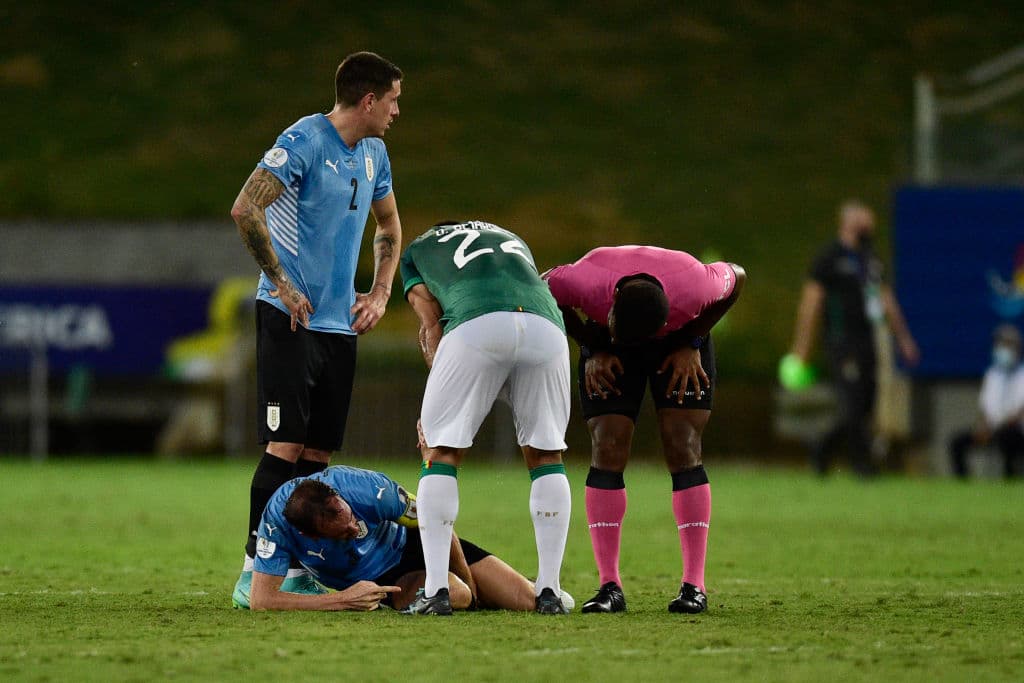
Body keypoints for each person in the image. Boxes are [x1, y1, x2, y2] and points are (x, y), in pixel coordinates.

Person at [228, 52, 404, 607]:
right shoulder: (303, 140)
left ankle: (299, 566)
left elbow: (390, 225)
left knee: (319, 456)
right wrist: (279, 281)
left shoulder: (375, 153)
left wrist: (378, 293)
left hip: (338, 327)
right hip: (290, 317)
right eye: (394, 99)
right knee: (286, 444)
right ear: (369, 99)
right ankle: (253, 566)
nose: (398, 111)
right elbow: (245, 209)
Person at [543, 245, 746, 615]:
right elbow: (542, 288)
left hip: (678, 337)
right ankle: (609, 585)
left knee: (683, 444)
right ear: (613, 300)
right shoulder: (586, 280)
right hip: (606, 341)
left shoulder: (694, 285)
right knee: (607, 444)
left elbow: (737, 276)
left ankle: (694, 585)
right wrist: (592, 344)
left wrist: (693, 340)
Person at [399, 220, 572, 616]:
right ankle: (548, 590)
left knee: (440, 453)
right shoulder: (511, 236)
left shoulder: (418, 251)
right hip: (546, 326)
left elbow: (430, 325)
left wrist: (439, 398)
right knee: (547, 455)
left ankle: (437, 589)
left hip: (476, 323)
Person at [239, 464, 558, 612]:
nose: (353, 529)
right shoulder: (278, 524)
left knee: (529, 601)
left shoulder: (367, 489)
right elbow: (261, 601)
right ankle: (456, 593)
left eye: (349, 516)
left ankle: (477, 592)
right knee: (455, 594)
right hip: (388, 579)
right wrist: (344, 599)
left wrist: (473, 586)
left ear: (339, 495)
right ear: (309, 535)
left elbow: (435, 521)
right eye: (342, 532)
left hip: (420, 542)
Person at [786, 200, 919, 477]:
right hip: (841, 340)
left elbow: (886, 299)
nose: (871, 229)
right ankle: (862, 465)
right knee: (853, 401)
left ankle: (822, 449)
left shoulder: (870, 259)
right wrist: (802, 347)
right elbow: (811, 304)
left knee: (867, 401)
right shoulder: (829, 259)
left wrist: (903, 338)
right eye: (866, 223)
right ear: (849, 223)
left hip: (867, 338)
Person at [948, 325, 1024, 478]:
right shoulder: (992, 375)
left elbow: (1020, 412)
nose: (1002, 350)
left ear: (1017, 348)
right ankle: (963, 483)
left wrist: (998, 427)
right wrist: (983, 426)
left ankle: (1009, 478)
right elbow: (985, 408)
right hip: (991, 429)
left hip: (1016, 431)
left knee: (1007, 437)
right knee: (957, 442)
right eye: (999, 344)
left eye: (1007, 345)